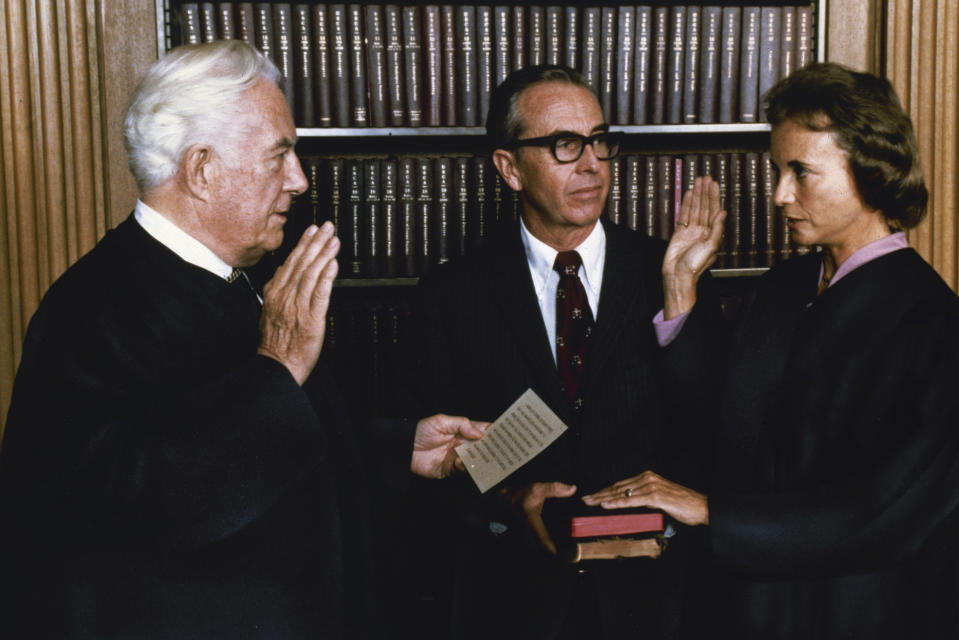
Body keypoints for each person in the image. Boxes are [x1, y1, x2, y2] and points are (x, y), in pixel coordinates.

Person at [0, 40, 485, 639]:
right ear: (202, 170)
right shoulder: (91, 306)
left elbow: (263, 436)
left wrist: (397, 449)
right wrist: (276, 364)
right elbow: (146, 501)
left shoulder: (230, 280)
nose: (300, 181)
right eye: (279, 157)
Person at [584, 62, 959, 638]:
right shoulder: (781, 290)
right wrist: (681, 285)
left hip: (854, 615)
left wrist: (715, 513)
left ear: (872, 170)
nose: (781, 195)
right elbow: (720, 426)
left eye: (802, 172)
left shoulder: (933, 322)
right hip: (744, 607)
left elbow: (888, 514)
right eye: (777, 170)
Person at [395, 65, 725, 639]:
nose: (592, 164)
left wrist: (679, 296)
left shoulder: (671, 271)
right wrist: (505, 503)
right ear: (509, 168)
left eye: (599, 141)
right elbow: (428, 467)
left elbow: (717, 431)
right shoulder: (449, 296)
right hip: (511, 603)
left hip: (655, 604)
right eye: (564, 145)